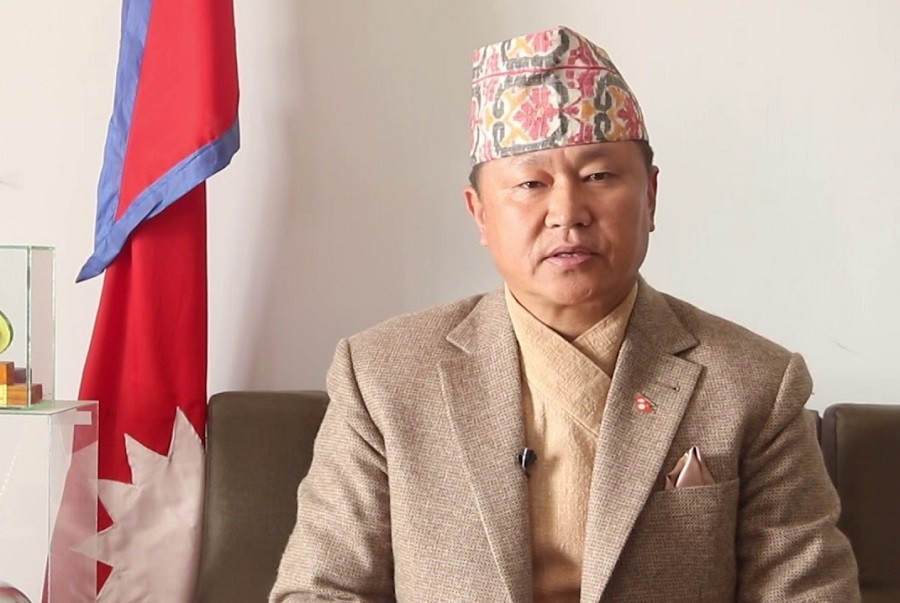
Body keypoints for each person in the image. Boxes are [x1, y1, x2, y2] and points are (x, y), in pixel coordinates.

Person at [270, 25, 860, 602]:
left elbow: (810, 593)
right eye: (530, 184)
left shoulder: (756, 382)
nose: (567, 213)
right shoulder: (383, 375)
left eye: (598, 176)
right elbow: (320, 588)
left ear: (651, 196)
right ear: (479, 213)